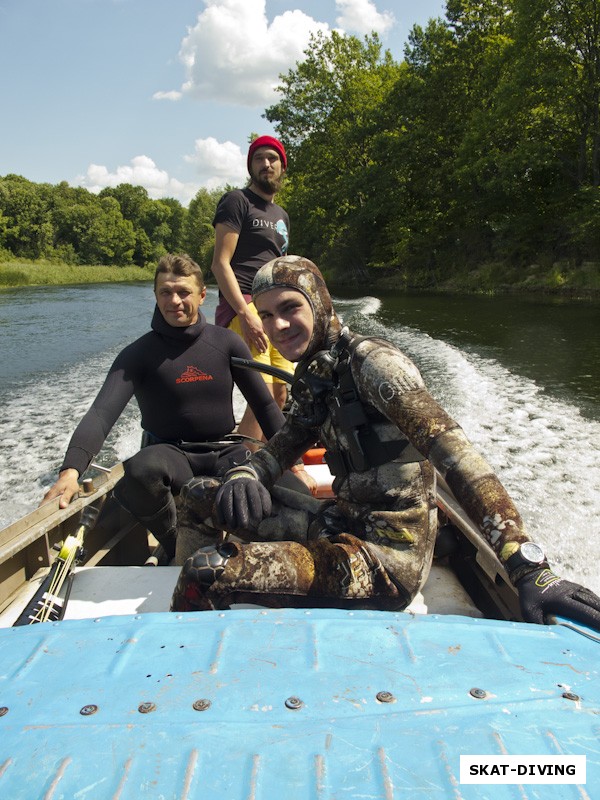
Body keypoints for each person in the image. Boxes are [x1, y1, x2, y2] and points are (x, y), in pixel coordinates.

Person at [171, 254, 600, 631]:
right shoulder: (318, 372)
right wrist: (249, 470)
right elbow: (290, 438)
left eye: (289, 308)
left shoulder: (376, 366)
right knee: (197, 495)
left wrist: (529, 567)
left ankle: (173, 664)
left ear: (319, 303)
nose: (276, 326)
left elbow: (458, 458)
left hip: (385, 560)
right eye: (264, 315)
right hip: (339, 523)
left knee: (208, 571)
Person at [40, 253, 305, 564]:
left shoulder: (227, 342)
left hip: (225, 452)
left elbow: (264, 404)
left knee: (297, 494)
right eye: (165, 292)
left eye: (183, 292)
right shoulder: (138, 354)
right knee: (139, 471)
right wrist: (70, 471)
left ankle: (247, 538)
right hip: (171, 456)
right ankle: (177, 541)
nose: (174, 301)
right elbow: (101, 414)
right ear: (155, 295)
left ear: (202, 295)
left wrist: (294, 463)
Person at [210, 135, 293, 442]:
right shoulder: (237, 201)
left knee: (280, 394)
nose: (266, 164)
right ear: (250, 167)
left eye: (272, 159)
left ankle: (261, 459)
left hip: (275, 311)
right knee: (264, 396)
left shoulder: (281, 216)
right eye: (259, 159)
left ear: (282, 167)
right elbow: (220, 263)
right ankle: (248, 467)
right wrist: (245, 313)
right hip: (244, 305)